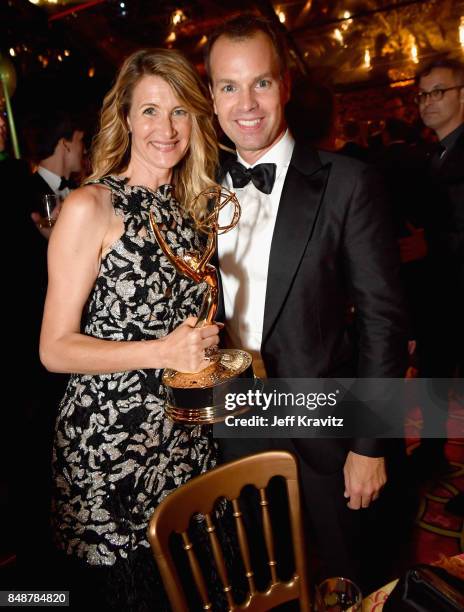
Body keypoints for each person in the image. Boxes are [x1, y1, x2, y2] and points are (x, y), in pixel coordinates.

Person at [205, 15, 407, 587]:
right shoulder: (195, 187)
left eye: (261, 83)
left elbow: (383, 322)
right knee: (256, 580)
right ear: (212, 96)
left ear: (286, 85)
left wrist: (371, 445)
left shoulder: (348, 182)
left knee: (351, 577)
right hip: (232, 423)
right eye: (229, 86)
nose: (246, 103)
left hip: (328, 429)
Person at [39, 48, 221, 610]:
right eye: (149, 111)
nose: (165, 128)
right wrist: (164, 349)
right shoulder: (90, 206)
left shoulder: (192, 210)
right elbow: (54, 348)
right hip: (108, 447)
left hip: (184, 437)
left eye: (179, 112)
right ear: (125, 117)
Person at [411, 59, 463, 503]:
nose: (427, 102)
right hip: (440, 296)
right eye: (423, 94)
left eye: (438, 92)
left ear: (462, 94)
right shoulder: (435, 152)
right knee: (434, 379)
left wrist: (425, 243)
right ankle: (430, 455)